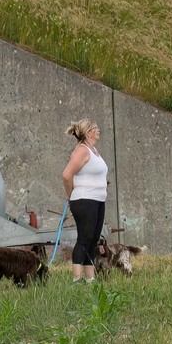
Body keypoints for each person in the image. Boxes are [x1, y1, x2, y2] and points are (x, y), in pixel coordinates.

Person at [62, 119, 109, 283]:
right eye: (95, 128)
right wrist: (70, 194)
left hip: (98, 200)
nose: (98, 130)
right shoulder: (82, 150)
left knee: (93, 239)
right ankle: (76, 278)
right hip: (84, 199)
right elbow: (66, 175)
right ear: (88, 132)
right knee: (85, 238)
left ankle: (90, 278)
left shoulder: (94, 150)